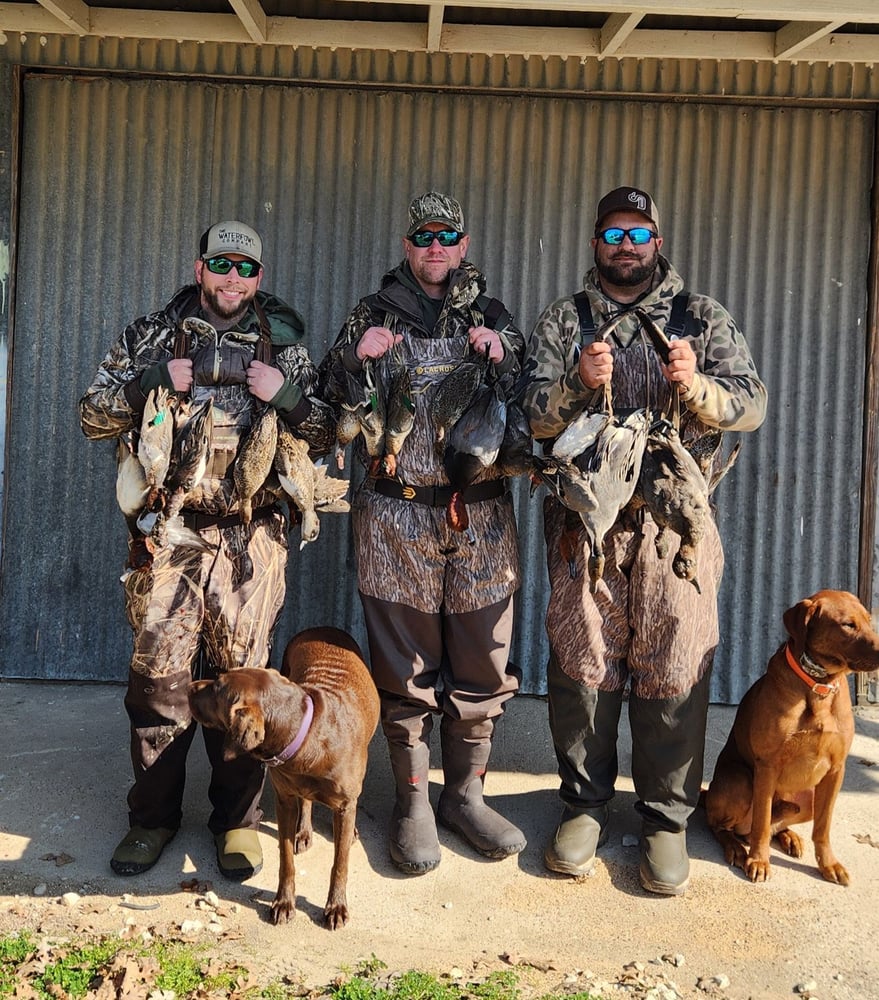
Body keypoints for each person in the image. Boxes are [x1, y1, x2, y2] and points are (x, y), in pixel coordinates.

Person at [522, 186, 767, 895]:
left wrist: (696, 388)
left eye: (637, 236)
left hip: (675, 528)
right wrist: (575, 381)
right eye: (612, 235)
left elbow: (748, 405)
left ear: (656, 242)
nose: (624, 248)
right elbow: (532, 418)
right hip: (585, 524)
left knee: (674, 660)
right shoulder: (565, 320)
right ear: (594, 241)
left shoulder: (701, 318)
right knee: (582, 660)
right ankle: (584, 807)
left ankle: (663, 817)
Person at [80, 220, 335, 880]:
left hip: (251, 539)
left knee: (243, 683)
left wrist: (286, 397)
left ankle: (238, 825)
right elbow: (91, 415)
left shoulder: (285, 348)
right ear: (199, 270)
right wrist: (146, 386)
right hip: (168, 534)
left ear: (259, 278)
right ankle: (153, 820)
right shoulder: (150, 336)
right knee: (159, 683)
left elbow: (327, 431)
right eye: (220, 264)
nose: (232, 278)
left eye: (245, 268)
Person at [319, 192, 526, 874]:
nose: (435, 246)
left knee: (482, 661)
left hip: (482, 515)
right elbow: (324, 406)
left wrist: (503, 358)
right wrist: (356, 358)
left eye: (447, 235)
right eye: (422, 236)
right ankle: (411, 801)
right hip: (393, 516)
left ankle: (464, 795)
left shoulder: (495, 317)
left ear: (463, 245)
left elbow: (538, 407)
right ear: (407, 246)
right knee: (406, 670)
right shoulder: (372, 314)